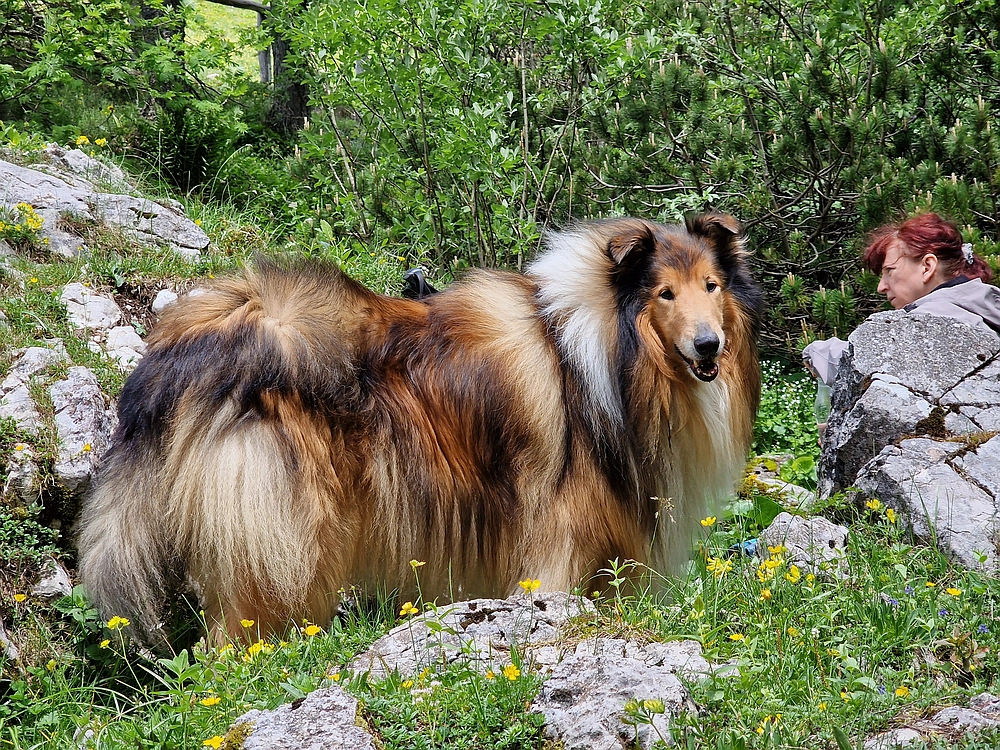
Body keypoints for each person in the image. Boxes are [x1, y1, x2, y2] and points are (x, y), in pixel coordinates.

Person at [803, 212, 1000, 388]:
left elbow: (862, 363)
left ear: (927, 266)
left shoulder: (935, 320)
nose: (881, 287)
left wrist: (816, 353)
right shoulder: (980, 310)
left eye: (890, 271)